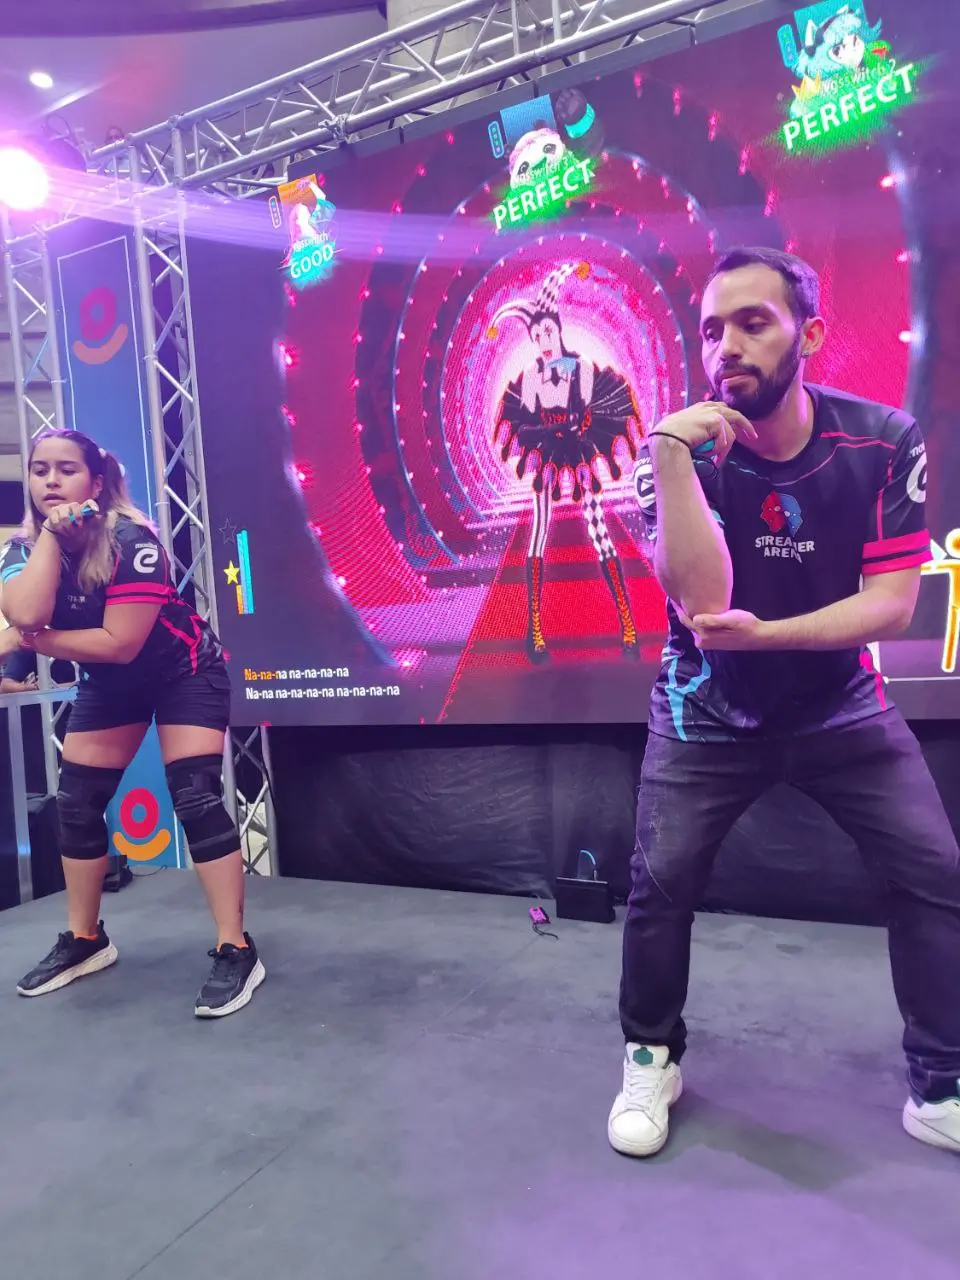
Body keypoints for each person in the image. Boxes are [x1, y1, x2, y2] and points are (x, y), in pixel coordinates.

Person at [609, 246, 960, 1158]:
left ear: (810, 334)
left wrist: (769, 636)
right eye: (710, 331)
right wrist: (670, 455)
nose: (726, 347)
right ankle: (651, 1058)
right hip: (703, 707)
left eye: (752, 323)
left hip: (839, 701)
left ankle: (941, 1085)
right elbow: (702, 599)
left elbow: (892, 604)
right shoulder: (673, 449)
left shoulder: (883, 439)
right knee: (659, 888)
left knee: (934, 871)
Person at [0, 429, 265, 1018]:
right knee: (76, 804)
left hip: (184, 672)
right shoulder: (23, 549)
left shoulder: (131, 538)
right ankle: (86, 939)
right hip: (112, 685)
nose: (50, 481)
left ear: (95, 482)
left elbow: (118, 643)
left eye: (66, 470)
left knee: (194, 795)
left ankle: (236, 946)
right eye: (40, 470)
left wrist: (30, 639)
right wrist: (50, 539)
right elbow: (24, 611)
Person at [487, 262, 642, 661]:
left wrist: (575, 425)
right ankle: (535, 628)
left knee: (598, 528)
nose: (543, 340)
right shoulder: (532, 377)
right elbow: (528, 419)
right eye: (537, 335)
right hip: (548, 454)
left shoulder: (582, 367)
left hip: (578, 451)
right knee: (538, 531)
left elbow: (585, 409)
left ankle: (627, 624)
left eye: (548, 332)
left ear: (558, 330)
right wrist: (549, 429)